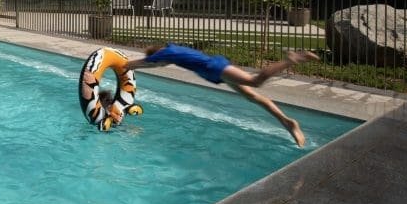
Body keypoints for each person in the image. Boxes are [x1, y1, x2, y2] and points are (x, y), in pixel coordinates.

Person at [121, 44, 319, 147]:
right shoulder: (171, 51)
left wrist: (126, 65)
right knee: (253, 97)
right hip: (213, 72)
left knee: (254, 81)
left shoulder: (167, 53)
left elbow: (145, 63)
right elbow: (155, 63)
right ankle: (287, 122)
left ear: (157, 54)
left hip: (214, 67)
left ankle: (291, 59)